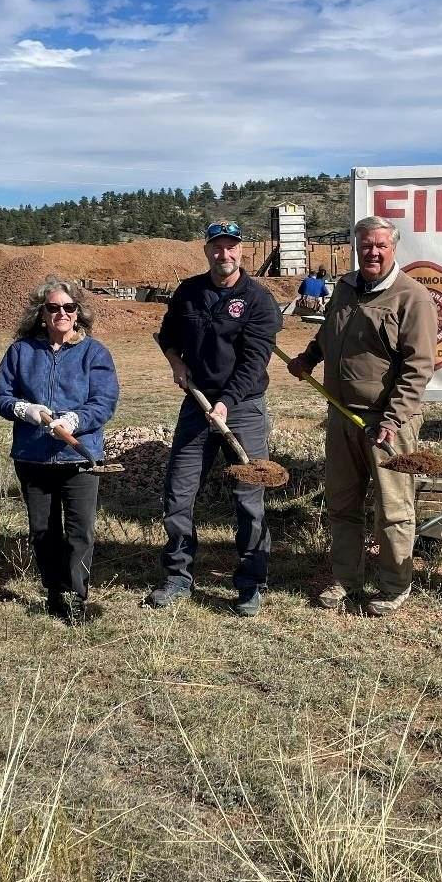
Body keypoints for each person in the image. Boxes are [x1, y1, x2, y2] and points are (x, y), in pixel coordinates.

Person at [286, 216, 437, 616]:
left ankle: (393, 586)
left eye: (380, 245)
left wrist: (392, 419)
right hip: (340, 415)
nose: (372, 252)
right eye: (365, 244)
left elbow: (419, 366)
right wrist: (308, 358)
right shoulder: (347, 287)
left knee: (392, 508)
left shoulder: (412, 297)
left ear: (394, 248)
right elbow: (327, 333)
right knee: (342, 501)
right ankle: (344, 580)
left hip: (389, 423)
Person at [149, 220, 282, 617]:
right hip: (196, 404)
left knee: (248, 498)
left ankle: (250, 582)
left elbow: (254, 361)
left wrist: (224, 404)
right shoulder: (189, 292)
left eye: (231, 247)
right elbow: (168, 334)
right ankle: (177, 575)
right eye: (217, 247)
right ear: (207, 250)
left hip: (242, 409)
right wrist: (175, 363)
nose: (224, 255)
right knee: (179, 491)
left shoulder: (258, 300)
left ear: (241, 251)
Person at [0, 278, 118, 624]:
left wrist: (76, 420)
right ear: (42, 314)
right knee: (43, 530)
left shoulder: (95, 353)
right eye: (53, 307)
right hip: (33, 456)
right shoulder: (21, 351)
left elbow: (104, 401)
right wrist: (24, 410)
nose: (62, 313)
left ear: (78, 314)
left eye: (69, 307)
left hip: (80, 458)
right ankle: (53, 591)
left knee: (80, 531)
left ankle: (76, 596)